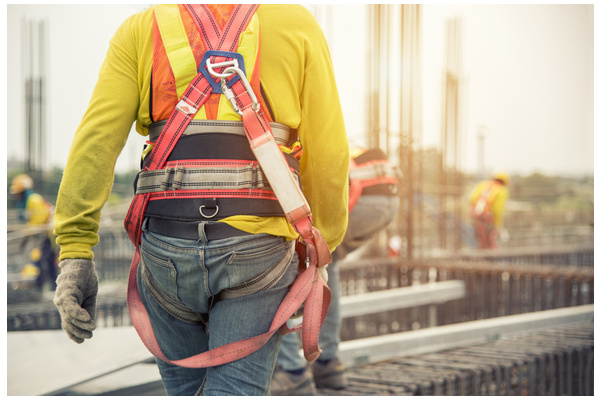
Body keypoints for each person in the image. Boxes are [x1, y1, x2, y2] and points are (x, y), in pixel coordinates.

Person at [52, 4, 348, 397]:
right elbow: (329, 151)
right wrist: (321, 248)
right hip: (257, 248)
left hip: (165, 248)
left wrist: (75, 253)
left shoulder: (141, 28)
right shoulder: (296, 23)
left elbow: (96, 140)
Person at [271, 147, 401, 395]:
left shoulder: (277, 140)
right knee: (328, 263)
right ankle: (328, 364)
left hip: (359, 197)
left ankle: (291, 371)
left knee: (278, 271)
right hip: (385, 198)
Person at [10, 174, 58, 291]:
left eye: (19, 192)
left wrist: (26, 236)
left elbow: (38, 223)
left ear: (24, 191)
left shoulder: (33, 200)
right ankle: (51, 287)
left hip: (49, 235)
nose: (17, 196)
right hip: (47, 235)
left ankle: (42, 288)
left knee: (44, 261)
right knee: (47, 261)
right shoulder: (31, 201)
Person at [469, 172, 510, 250]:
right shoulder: (502, 190)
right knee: (491, 240)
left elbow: (472, 198)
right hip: (488, 219)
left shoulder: (483, 184)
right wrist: (498, 224)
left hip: (476, 217)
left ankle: (483, 256)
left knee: (481, 240)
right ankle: (490, 257)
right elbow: (498, 210)